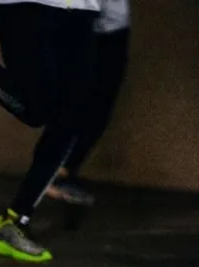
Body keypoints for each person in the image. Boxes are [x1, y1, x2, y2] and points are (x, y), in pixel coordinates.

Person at [0, 0, 101, 263]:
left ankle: (14, 221)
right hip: (24, 4)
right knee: (36, 108)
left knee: (73, 113)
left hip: (81, 7)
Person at [46, 0, 130, 206]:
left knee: (98, 106)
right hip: (86, 23)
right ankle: (57, 172)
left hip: (111, 27)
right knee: (79, 104)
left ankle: (62, 170)